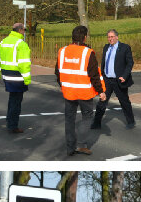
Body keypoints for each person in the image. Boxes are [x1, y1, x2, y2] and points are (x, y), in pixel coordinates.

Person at [55, 25, 105, 156]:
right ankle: (81, 145)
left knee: (69, 119)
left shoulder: (63, 51)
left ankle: (70, 147)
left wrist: (63, 85)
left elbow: (57, 71)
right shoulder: (87, 53)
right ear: (85, 37)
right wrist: (101, 91)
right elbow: (94, 75)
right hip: (84, 93)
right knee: (87, 117)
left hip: (69, 92)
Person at [0, 23, 32, 134]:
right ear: (20, 30)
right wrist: (27, 79)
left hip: (6, 75)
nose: (25, 32)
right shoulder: (21, 44)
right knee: (16, 101)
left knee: (12, 98)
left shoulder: (3, 42)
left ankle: (10, 121)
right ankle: (13, 125)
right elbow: (24, 64)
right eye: (24, 30)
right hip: (17, 76)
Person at [92, 29, 136, 130]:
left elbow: (130, 63)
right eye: (108, 37)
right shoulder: (106, 47)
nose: (110, 39)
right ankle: (96, 123)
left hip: (119, 80)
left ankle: (131, 121)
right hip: (107, 80)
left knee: (124, 101)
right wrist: (102, 76)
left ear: (117, 37)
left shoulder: (124, 48)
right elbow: (104, 62)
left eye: (112, 37)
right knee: (102, 101)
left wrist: (124, 76)